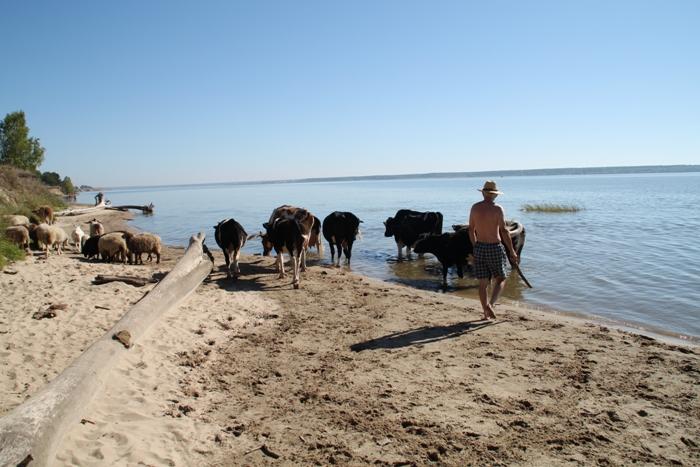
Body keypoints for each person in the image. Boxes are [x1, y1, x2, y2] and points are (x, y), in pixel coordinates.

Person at [468, 180, 519, 320]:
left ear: (484, 193)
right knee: (501, 278)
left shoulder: (475, 208)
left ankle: (485, 313)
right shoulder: (498, 209)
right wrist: (512, 251)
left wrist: (475, 245)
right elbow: (504, 231)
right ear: (495, 195)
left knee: (483, 282)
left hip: (480, 247)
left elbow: (471, 229)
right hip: (494, 247)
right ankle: (490, 305)